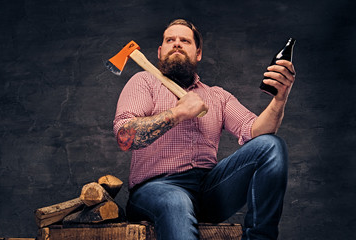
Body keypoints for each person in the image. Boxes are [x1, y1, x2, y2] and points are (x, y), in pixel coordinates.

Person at [113, 19, 296, 240]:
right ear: (160, 52)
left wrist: (280, 98)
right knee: (175, 200)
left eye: (185, 40)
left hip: (208, 191)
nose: (177, 44)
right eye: (170, 40)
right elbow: (125, 137)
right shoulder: (144, 82)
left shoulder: (217, 96)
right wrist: (178, 113)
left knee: (271, 146)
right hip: (154, 189)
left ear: (198, 53)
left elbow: (257, 132)